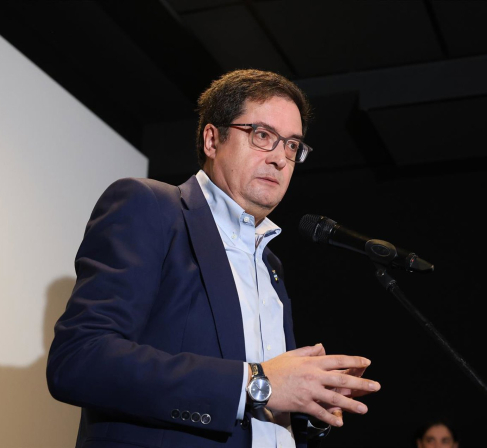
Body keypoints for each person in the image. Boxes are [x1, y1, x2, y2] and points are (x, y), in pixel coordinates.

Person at [46, 69, 381, 448]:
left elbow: (260, 408)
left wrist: (309, 406)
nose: (279, 158)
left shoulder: (270, 265)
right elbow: (78, 360)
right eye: (262, 135)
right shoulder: (151, 206)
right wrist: (258, 383)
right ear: (211, 139)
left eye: (292, 145)